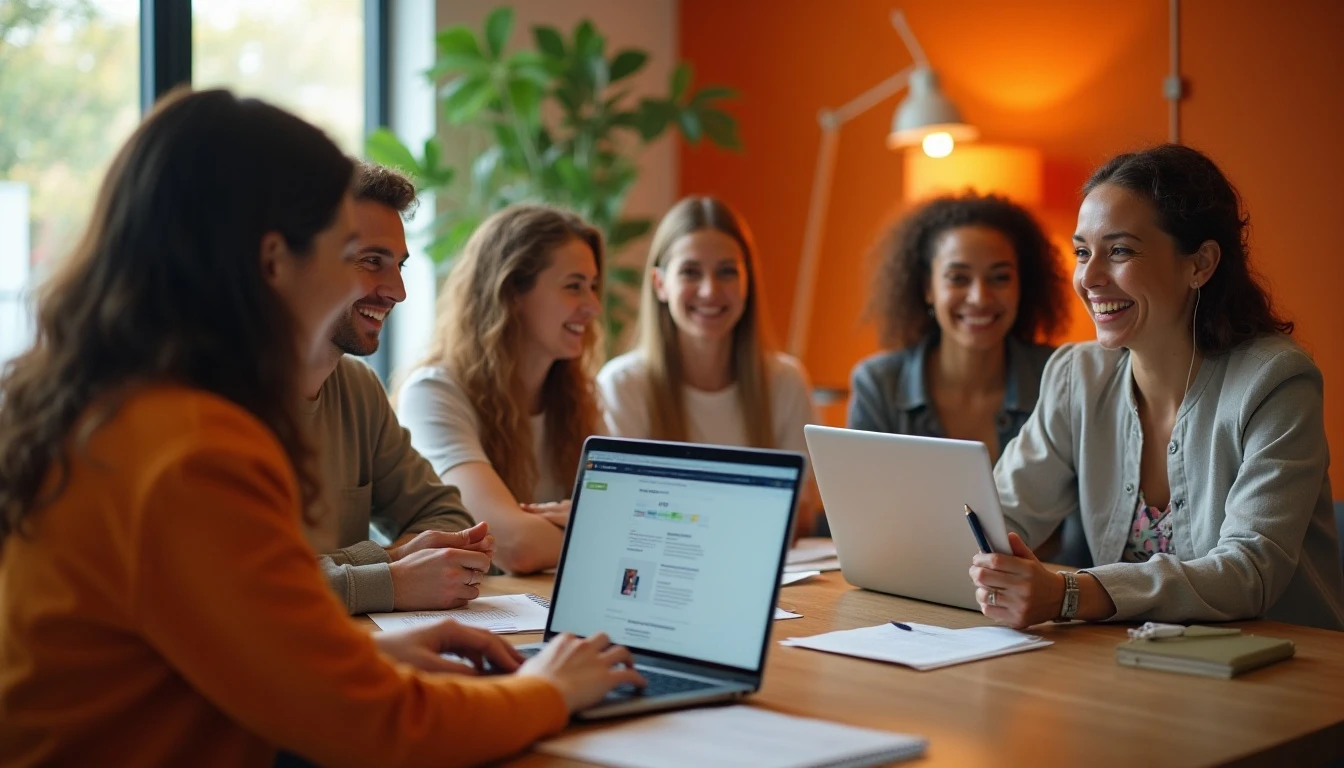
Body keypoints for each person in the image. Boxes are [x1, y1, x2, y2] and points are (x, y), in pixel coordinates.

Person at [0, 88, 642, 767]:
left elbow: (196, 658)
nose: (379, 290)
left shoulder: (111, 407)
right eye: (347, 253)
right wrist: (550, 688)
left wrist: (365, 654)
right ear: (275, 261)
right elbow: (383, 730)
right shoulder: (191, 450)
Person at [970, 144, 1344, 631]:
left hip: (1282, 673)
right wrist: (985, 560)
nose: (1090, 277)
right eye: (1083, 252)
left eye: (1120, 250)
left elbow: (1250, 572)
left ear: (1200, 264)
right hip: (1135, 668)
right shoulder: (1076, 376)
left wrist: (1067, 594)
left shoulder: (1275, 382)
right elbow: (1002, 516)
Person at [846, 193, 1087, 563]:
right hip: (914, 589)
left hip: (1045, 597)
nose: (979, 297)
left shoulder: (1066, 378)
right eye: (958, 278)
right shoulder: (878, 384)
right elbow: (861, 525)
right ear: (928, 287)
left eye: (1000, 277)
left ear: (1024, 285)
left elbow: (1082, 538)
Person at [306, 161, 493, 615]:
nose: (397, 291)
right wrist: (389, 573)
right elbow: (234, 590)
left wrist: (379, 567)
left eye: (400, 265)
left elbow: (448, 516)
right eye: (372, 261)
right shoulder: (214, 399)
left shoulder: (357, 389)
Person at [397, 204, 604, 575]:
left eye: (593, 287)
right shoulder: (433, 393)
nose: (593, 306)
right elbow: (514, 545)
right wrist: (604, 532)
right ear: (511, 293)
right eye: (574, 286)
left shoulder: (578, 398)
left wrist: (598, 528)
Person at [597, 196, 821, 533]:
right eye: (690, 272)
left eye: (727, 272)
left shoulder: (785, 381)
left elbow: (802, 514)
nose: (709, 290)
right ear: (660, 284)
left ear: (748, 282)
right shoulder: (623, 384)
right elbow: (622, 512)